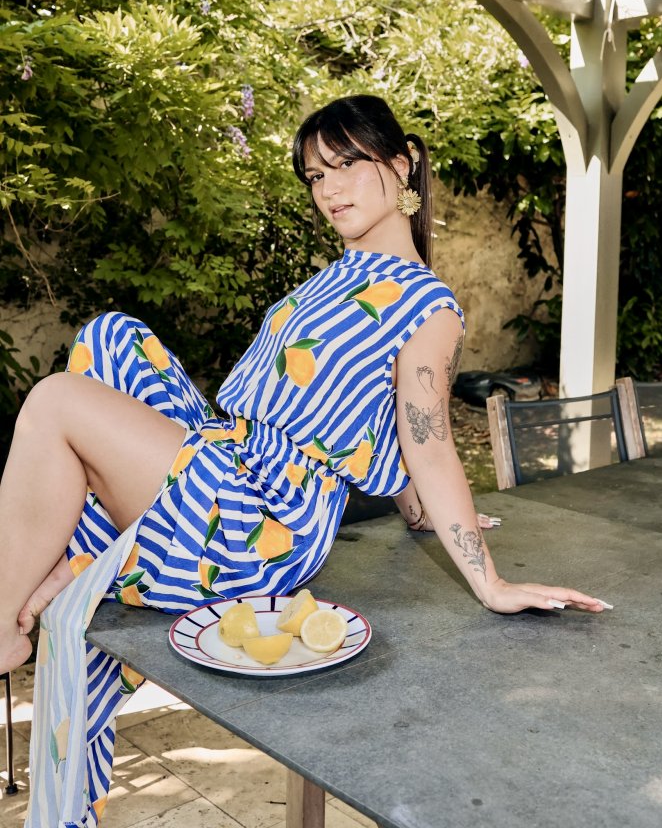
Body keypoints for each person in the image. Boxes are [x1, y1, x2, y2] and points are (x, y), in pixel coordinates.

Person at [0, 94, 606, 825]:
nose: (330, 189)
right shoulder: (332, 278)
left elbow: (426, 439)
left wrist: (490, 581)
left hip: (265, 521)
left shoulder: (427, 306)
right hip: (227, 461)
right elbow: (381, 430)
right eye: (316, 176)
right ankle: (78, 561)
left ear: (401, 165)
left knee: (58, 400)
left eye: (347, 165)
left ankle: (6, 623)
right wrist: (418, 513)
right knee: (111, 336)